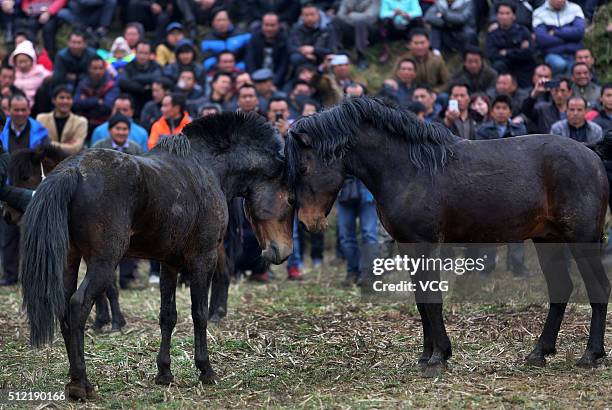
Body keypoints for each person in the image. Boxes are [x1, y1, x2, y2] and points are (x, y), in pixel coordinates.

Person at [0, 93, 48, 286]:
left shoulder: (40, 132)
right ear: (9, 110)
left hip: (30, 189)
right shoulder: (3, 133)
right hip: (7, 187)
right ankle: (10, 275)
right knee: (7, 234)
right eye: (16, 109)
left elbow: (44, 161)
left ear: (29, 110)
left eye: (23, 109)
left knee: (32, 237)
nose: (19, 113)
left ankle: (31, 277)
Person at [485, 1, 536, 89]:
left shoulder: (523, 31)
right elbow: (491, 54)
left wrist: (507, 52)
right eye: (501, 13)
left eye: (507, 13)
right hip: (504, 70)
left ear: (514, 16)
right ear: (497, 16)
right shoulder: (492, 34)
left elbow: (529, 52)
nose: (504, 16)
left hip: (523, 70)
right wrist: (518, 50)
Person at [533, 0, 586, 75]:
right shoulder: (538, 13)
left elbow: (579, 32)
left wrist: (556, 32)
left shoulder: (575, 8)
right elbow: (542, 39)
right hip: (553, 53)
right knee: (559, 64)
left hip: (573, 52)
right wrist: (569, 37)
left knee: (577, 68)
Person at [36, 84, 87, 154]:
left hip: (71, 163)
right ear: (53, 100)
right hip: (47, 161)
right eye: (61, 98)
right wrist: (68, 146)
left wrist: (48, 143)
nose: (65, 101)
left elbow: (75, 149)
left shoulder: (81, 122)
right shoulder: (41, 118)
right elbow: (38, 143)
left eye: (68, 98)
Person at [73, 55, 119, 132]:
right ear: (89, 69)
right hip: (83, 124)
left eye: (100, 68)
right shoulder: (82, 84)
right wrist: (97, 101)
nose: (98, 71)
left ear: (104, 69)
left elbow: (107, 108)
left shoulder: (111, 85)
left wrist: (86, 104)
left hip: (104, 125)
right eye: (94, 68)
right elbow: (76, 104)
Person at [245, 12, 290, 88]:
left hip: (278, 80)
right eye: (266, 25)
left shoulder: (284, 40)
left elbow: (284, 65)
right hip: (256, 78)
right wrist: (256, 80)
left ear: (278, 25)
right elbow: (250, 61)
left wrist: (274, 83)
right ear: (262, 25)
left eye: (272, 25)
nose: (269, 29)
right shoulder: (254, 39)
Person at [332, 0, 380, 70]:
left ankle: (361, 56)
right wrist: (360, 15)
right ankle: (337, 51)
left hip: (370, 30)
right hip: (351, 28)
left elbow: (370, 17)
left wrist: (350, 14)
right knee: (336, 20)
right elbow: (340, 15)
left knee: (360, 23)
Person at [399, 29, 449, 94]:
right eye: (416, 43)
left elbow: (447, 82)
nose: (419, 46)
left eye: (422, 43)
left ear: (428, 43)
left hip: (432, 93)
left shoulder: (437, 60)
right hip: (410, 94)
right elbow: (393, 80)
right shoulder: (404, 60)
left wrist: (435, 92)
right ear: (410, 44)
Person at [119, 41, 162, 114]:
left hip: (151, 100)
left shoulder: (155, 66)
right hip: (132, 101)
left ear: (150, 54)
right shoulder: (128, 66)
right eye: (140, 53)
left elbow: (156, 78)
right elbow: (123, 81)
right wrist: (142, 88)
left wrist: (134, 78)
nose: (143, 56)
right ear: (135, 52)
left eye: (146, 53)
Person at [289, 3, 337, 67]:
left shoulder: (328, 28)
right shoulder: (297, 28)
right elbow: (291, 46)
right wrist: (304, 53)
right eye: (306, 15)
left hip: (322, 57)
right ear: (301, 16)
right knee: (295, 58)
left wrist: (314, 50)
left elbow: (331, 50)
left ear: (318, 14)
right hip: (305, 57)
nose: (309, 18)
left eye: (312, 14)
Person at [8, 40, 51, 106]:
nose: (23, 65)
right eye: (20, 62)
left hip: (37, 105)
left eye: (25, 62)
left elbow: (51, 77)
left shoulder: (39, 71)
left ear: (32, 61)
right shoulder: (13, 74)